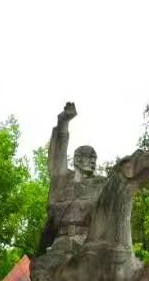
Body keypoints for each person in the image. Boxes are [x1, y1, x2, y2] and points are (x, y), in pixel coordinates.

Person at [37, 102, 106, 254]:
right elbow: (57, 156)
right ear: (77, 159)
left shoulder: (100, 184)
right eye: (89, 157)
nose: (93, 161)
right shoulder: (63, 179)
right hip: (61, 243)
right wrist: (63, 122)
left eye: (94, 158)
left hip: (89, 243)